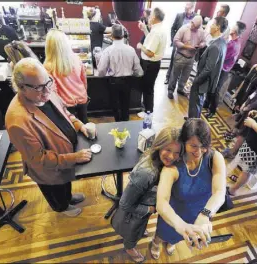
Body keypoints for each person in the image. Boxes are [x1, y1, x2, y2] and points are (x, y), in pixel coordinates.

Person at [5, 58, 95, 217]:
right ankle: (62, 208)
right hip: (49, 170)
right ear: (21, 87)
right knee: (55, 191)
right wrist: (74, 157)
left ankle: (68, 198)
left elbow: (66, 113)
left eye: (48, 82)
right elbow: (39, 160)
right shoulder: (17, 121)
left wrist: (80, 125)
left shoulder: (46, 90)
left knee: (65, 184)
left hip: (63, 161)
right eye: (39, 87)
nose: (47, 91)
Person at [151, 118, 226, 259]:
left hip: (198, 213)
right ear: (184, 142)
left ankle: (171, 242)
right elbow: (161, 203)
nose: (200, 151)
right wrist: (180, 225)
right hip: (173, 214)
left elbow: (220, 192)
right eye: (193, 146)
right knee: (163, 233)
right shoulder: (172, 167)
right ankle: (156, 242)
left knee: (179, 237)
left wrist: (205, 215)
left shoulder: (214, 158)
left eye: (204, 146)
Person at [115, 127, 182, 263]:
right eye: (168, 150)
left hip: (144, 209)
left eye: (177, 153)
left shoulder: (160, 163)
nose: (171, 157)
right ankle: (129, 248)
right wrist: (149, 209)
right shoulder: (146, 173)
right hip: (134, 215)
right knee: (132, 233)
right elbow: (124, 203)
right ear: (158, 146)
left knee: (139, 228)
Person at [223, 49, 257, 142]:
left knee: (242, 119)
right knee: (236, 113)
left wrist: (250, 103)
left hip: (252, 100)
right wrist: (236, 94)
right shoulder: (255, 67)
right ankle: (232, 131)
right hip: (243, 95)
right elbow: (245, 81)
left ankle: (234, 134)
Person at [97, 24, 143, 122]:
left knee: (115, 104)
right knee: (126, 104)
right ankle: (125, 122)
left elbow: (101, 70)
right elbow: (138, 70)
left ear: (111, 36)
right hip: (127, 81)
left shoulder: (108, 50)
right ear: (123, 36)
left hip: (113, 81)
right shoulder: (131, 49)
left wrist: (102, 75)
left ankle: (117, 122)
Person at [186, 16, 228, 119]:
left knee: (195, 103)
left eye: (213, 24)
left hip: (203, 81)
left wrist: (197, 80)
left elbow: (209, 68)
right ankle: (193, 119)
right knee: (198, 103)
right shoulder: (222, 42)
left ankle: (192, 124)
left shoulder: (215, 46)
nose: (210, 26)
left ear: (217, 27)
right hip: (206, 81)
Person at [44, 29, 89, 124]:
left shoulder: (48, 66)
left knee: (71, 130)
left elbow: (53, 92)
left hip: (65, 105)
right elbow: (84, 81)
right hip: (82, 98)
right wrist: (84, 93)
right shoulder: (76, 59)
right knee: (85, 126)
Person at [203, 21, 247, 119]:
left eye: (232, 28)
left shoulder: (233, 45)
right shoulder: (233, 41)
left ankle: (212, 111)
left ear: (235, 31)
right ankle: (206, 104)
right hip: (221, 68)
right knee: (211, 87)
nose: (230, 29)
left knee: (216, 90)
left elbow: (220, 56)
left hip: (222, 70)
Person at [136, 7, 167, 117]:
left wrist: (141, 46)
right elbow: (150, 39)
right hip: (154, 64)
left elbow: (150, 52)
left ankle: (148, 112)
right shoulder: (159, 29)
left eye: (150, 15)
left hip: (150, 64)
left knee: (148, 88)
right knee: (148, 87)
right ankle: (148, 109)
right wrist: (144, 29)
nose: (149, 17)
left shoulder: (156, 32)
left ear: (154, 17)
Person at [168, 15, 206, 99]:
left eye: (197, 27)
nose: (194, 28)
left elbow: (204, 42)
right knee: (175, 74)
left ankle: (180, 89)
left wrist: (201, 45)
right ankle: (170, 90)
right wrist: (186, 46)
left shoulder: (201, 31)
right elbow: (175, 40)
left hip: (191, 57)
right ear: (191, 22)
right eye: (193, 25)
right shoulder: (183, 28)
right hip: (181, 55)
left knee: (186, 75)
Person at [165, 1, 196, 84]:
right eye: (185, 8)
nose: (186, 10)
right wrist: (173, 40)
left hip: (189, 46)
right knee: (173, 61)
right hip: (178, 43)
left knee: (184, 65)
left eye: (188, 8)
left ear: (193, 8)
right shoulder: (179, 15)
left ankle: (178, 81)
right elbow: (173, 28)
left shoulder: (196, 17)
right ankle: (168, 77)